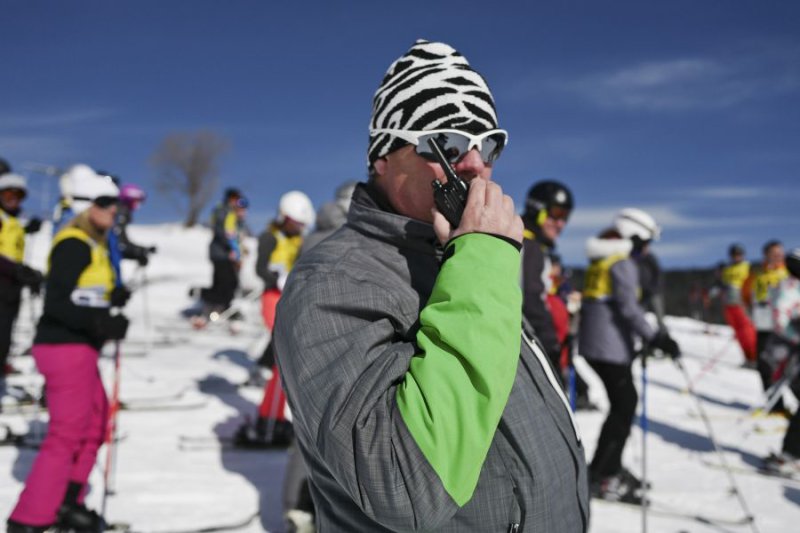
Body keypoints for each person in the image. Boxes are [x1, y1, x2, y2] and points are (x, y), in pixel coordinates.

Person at [273, 40, 589, 531]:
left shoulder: (462, 258)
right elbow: (403, 483)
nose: (475, 164)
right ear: (383, 156)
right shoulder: (332, 280)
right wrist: (482, 262)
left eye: (488, 144)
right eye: (449, 143)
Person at [7, 172, 130, 533]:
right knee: (67, 432)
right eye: (105, 203)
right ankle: (28, 518)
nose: (114, 210)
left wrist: (111, 300)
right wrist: (101, 322)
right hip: (64, 346)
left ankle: (66, 501)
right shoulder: (73, 244)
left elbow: (84, 295)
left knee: (96, 423)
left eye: (115, 203)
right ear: (84, 206)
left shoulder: (93, 245)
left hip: (81, 346)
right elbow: (57, 303)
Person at [579, 208, 680, 503]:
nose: (646, 250)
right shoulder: (621, 263)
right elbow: (629, 308)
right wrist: (656, 337)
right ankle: (604, 475)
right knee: (624, 406)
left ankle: (605, 468)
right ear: (631, 237)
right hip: (609, 348)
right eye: (644, 242)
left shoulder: (601, 259)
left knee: (621, 405)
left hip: (597, 345)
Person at [235, 190, 314, 446]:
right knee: (282, 355)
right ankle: (268, 419)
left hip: (290, 297)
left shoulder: (299, 240)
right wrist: (276, 279)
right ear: (284, 217)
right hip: (272, 296)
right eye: (295, 223)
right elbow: (260, 268)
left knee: (283, 365)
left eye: (301, 225)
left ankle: (274, 417)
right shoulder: (270, 236)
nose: (298, 228)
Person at [521, 179, 594, 410]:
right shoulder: (528, 246)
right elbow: (531, 299)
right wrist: (550, 345)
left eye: (566, 217)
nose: (561, 223)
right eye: (557, 214)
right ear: (537, 209)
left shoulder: (535, 246)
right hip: (532, 346)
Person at [0, 173, 44, 383]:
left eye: (18, 196)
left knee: (6, 334)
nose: (13, 199)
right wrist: (17, 270)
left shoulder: (14, 221)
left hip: (11, 287)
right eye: (9, 194)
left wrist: (26, 275)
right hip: (4, 281)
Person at [762, 248, 800, 475]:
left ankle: (791, 453)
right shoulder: (788, 288)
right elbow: (780, 321)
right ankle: (789, 455)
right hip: (788, 356)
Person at [743, 240, 789, 413]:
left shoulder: (789, 273)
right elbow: (746, 296)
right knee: (764, 366)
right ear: (766, 255)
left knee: (790, 368)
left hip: (786, 329)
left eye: (780, 253)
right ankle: (776, 406)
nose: (778, 256)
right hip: (763, 327)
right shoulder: (757, 276)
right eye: (774, 253)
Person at [195, 188, 249, 326]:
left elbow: (236, 235)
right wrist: (231, 248)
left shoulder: (234, 214)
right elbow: (222, 232)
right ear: (230, 198)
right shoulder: (222, 211)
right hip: (220, 254)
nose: (238, 202)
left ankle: (219, 309)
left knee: (225, 284)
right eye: (236, 199)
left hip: (227, 254)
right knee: (228, 283)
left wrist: (240, 250)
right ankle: (201, 294)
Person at [719, 244, 758, 366]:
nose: (736, 257)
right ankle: (747, 358)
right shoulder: (727, 269)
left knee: (747, 331)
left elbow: (753, 284)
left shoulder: (747, 267)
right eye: (734, 255)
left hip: (742, 304)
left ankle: (754, 357)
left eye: (739, 254)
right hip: (729, 305)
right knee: (738, 333)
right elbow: (722, 284)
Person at [112, 183, 156, 267]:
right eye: (136, 201)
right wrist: (138, 252)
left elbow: (122, 242)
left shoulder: (120, 213)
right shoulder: (120, 214)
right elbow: (119, 244)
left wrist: (141, 250)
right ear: (128, 199)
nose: (138, 205)